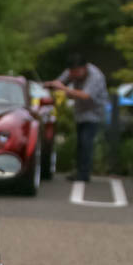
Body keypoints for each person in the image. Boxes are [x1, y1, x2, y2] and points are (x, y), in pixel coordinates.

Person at [49, 55, 110, 183]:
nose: (73, 75)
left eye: (76, 72)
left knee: (86, 142)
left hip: (94, 114)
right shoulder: (71, 72)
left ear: (84, 68)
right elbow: (59, 82)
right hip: (81, 113)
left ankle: (84, 173)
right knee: (80, 144)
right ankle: (79, 171)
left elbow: (85, 95)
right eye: (72, 72)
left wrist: (64, 88)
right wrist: (51, 85)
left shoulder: (95, 76)